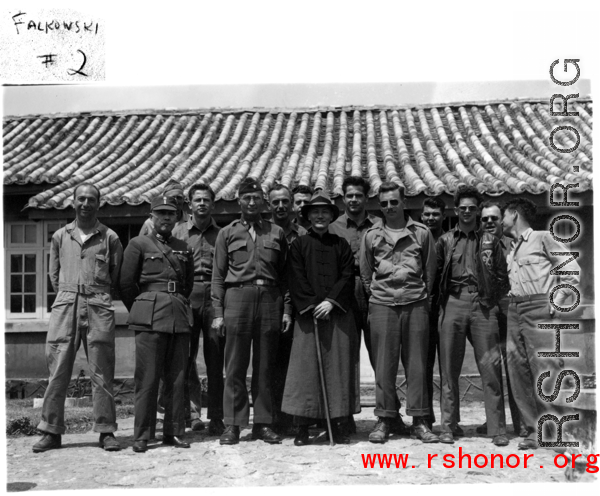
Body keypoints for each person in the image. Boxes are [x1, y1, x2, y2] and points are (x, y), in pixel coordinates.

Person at [33, 184, 123, 453]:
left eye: (91, 199)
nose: (86, 203)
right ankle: (51, 431)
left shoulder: (110, 238)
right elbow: (54, 275)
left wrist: (95, 294)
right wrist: (69, 293)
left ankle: (106, 430)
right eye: (81, 198)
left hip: (99, 306)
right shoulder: (61, 236)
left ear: (99, 203)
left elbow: (117, 277)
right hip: (66, 304)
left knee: (102, 372)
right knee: (58, 370)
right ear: (73, 202)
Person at [211, 177, 292, 445]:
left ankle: (263, 423)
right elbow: (218, 277)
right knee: (234, 365)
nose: (252, 202)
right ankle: (233, 424)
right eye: (247, 198)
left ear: (263, 201)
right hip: (237, 298)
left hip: (270, 299)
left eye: (257, 198)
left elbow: (285, 277)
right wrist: (218, 313)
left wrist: (286, 310)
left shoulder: (276, 232)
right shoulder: (227, 233)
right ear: (239, 201)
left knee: (265, 365)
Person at [361, 183, 438, 444]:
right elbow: (365, 273)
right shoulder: (371, 235)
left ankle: (420, 421)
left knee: (416, 364)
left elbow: (429, 272)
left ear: (403, 202)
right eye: (384, 203)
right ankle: (384, 419)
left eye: (394, 202)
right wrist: (379, 295)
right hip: (382, 304)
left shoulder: (422, 233)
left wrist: (419, 297)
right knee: (384, 365)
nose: (389, 207)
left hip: (415, 303)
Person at [502, 198, 581, 450]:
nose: (501, 220)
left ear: (514, 215)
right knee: (518, 371)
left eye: (504, 214)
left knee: (545, 370)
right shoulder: (512, 248)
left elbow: (571, 270)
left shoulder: (543, 237)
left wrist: (557, 299)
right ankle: (533, 430)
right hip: (515, 309)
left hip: (538, 307)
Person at [435, 185, 510, 446]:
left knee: (490, 366)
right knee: (448, 368)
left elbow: (502, 276)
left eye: (472, 208)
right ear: (456, 210)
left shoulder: (490, 241)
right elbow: (436, 277)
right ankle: (448, 425)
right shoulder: (445, 241)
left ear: (478, 211)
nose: (467, 212)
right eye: (462, 208)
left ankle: (496, 427)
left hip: (483, 304)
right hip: (453, 301)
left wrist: (491, 299)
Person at [282, 193, 360, 445]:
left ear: (330, 216)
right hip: (308, 316)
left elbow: (348, 275)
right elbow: (295, 276)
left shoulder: (341, 244)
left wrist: (330, 302)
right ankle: (303, 427)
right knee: (305, 371)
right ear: (307, 216)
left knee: (336, 369)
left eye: (324, 212)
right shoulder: (299, 245)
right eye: (314, 212)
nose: (319, 216)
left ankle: (336, 425)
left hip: (336, 315)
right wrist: (312, 305)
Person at [120, 196, 194, 453]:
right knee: (147, 378)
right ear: (152, 215)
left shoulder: (184, 246)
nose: (165, 218)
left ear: (177, 218)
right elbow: (126, 284)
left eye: (170, 214)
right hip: (149, 318)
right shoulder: (138, 244)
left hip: (177, 317)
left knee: (176, 378)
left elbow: (188, 284)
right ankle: (142, 434)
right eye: (160, 213)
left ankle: (173, 432)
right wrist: (142, 309)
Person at [171, 183, 225, 436]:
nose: (202, 204)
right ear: (189, 205)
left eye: (206, 200)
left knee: (215, 358)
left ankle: (216, 416)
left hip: (214, 298)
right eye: (197, 200)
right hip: (186, 297)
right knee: (184, 358)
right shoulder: (178, 233)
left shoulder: (223, 234)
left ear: (213, 205)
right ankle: (186, 415)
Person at [478, 201, 523, 437]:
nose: (489, 222)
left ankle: (522, 423)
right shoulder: (479, 243)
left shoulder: (513, 244)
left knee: (514, 367)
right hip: (487, 311)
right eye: (485, 219)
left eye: (494, 218)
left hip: (510, 308)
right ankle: (494, 422)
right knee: (491, 366)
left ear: (502, 220)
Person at [268, 184, 307, 435]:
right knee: (271, 363)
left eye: (285, 201)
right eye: (275, 202)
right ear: (268, 205)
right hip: (271, 303)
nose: (281, 206)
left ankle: (297, 418)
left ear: (292, 204)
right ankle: (273, 418)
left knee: (297, 362)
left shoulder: (303, 233)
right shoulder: (262, 232)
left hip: (299, 304)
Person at [419, 196, 446, 428]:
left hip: (446, 307)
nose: (430, 218)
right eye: (427, 214)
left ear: (443, 216)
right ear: (421, 215)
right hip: (423, 308)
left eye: (435, 214)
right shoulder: (416, 239)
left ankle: (449, 419)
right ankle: (425, 418)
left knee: (447, 365)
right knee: (424, 364)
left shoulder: (449, 240)